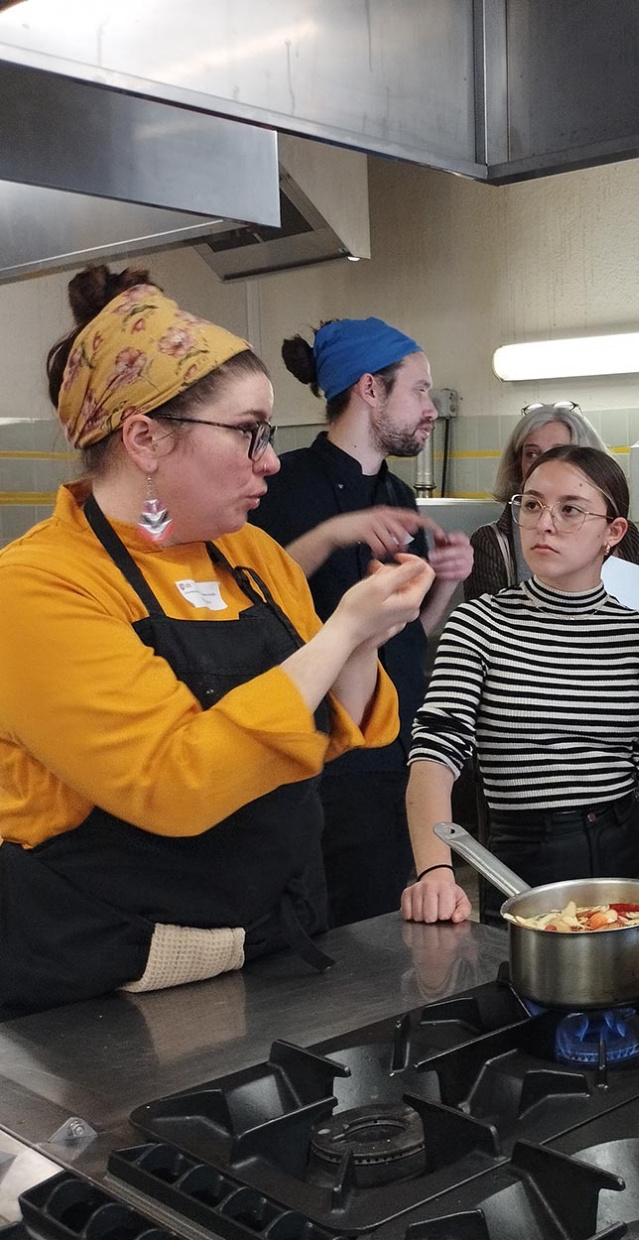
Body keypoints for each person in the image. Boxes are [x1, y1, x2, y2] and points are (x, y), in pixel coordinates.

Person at [0, 267, 433, 1018]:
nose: (270, 459)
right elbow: (174, 779)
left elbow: (342, 729)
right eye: (247, 433)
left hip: (270, 950)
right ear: (143, 438)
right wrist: (341, 633)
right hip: (99, 990)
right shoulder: (38, 587)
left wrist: (368, 639)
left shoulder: (251, 556)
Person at [401, 445, 639, 948]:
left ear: (613, 533)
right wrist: (435, 870)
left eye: (570, 509)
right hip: (523, 849)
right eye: (531, 505)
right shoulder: (480, 625)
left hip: (624, 846)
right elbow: (434, 755)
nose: (544, 524)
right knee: (526, 1000)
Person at [249, 319, 472, 927]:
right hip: (317, 762)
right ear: (370, 389)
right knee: (321, 931)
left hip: (396, 753)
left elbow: (405, 638)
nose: (431, 409)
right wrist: (329, 536)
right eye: (420, 391)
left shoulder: (399, 493)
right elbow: (250, 606)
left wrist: (447, 581)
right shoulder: (279, 486)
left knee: (381, 927)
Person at [465, 402, 639, 640]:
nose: (545, 464)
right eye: (531, 454)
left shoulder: (624, 535)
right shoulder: (493, 541)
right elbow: (486, 635)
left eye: (559, 452)